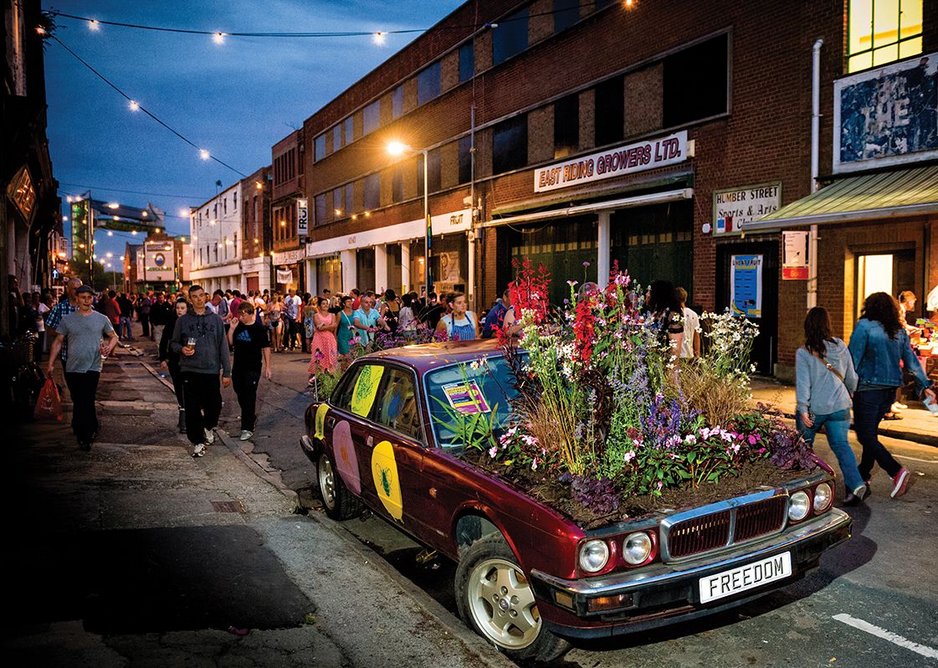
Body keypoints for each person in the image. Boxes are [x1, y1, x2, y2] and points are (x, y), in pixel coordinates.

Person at [848, 292, 936, 498]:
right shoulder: (899, 331)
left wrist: (846, 387)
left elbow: (852, 360)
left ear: (869, 307)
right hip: (889, 392)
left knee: (864, 434)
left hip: (867, 389)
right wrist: (926, 384)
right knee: (871, 433)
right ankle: (864, 474)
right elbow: (912, 362)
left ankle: (895, 470)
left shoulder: (864, 327)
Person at [795, 307, 867, 505]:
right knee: (842, 446)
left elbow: (803, 384)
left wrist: (802, 408)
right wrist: (849, 392)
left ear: (807, 326)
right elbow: (852, 377)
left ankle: (804, 489)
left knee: (803, 447)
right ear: (828, 324)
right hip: (840, 406)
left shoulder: (804, 352)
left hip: (815, 409)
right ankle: (856, 484)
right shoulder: (841, 346)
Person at [45, 285, 119, 450]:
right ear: (76, 299)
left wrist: (108, 346)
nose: (86, 300)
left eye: (89, 297)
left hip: (93, 365)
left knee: (86, 398)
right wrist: (50, 363)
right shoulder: (68, 320)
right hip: (72, 367)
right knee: (79, 399)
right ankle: (87, 426)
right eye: (83, 297)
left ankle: (85, 434)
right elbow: (58, 341)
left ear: (93, 299)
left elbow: (114, 336)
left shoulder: (101, 318)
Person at [170, 285, 232, 458]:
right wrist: (182, 349)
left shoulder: (216, 320)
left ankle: (208, 426)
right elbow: (173, 343)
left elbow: (223, 347)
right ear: (190, 299)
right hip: (189, 370)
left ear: (206, 297)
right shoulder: (182, 321)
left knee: (214, 405)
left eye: (201, 295)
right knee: (192, 408)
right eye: (194, 296)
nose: (198, 299)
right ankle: (197, 441)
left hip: (211, 370)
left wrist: (227, 372)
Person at [228, 300, 271, 441]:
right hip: (238, 366)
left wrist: (268, 366)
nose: (240, 317)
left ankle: (247, 427)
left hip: (253, 367)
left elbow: (266, 348)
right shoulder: (239, 326)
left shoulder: (259, 328)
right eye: (239, 314)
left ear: (250, 313)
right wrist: (232, 328)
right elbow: (230, 342)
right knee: (239, 391)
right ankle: (250, 416)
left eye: (243, 315)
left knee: (249, 395)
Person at [159, 297, 190, 433]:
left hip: (189, 361)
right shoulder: (171, 323)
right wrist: (163, 358)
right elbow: (164, 341)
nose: (180, 310)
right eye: (178, 308)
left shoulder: (190, 322)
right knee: (178, 387)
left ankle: (187, 418)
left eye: (182, 308)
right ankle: (182, 416)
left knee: (188, 388)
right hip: (174, 361)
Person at [45, 277, 83, 373]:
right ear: (68, 290)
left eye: (79, 289)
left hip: (86, 356)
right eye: (75, 289)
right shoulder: (59, 309)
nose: (77, 292)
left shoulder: (87, 308)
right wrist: (64, 333)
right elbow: (49, 329)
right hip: (67, 356)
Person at [891, 290, 920, 413]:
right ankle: (891, 402)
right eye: (913, 302)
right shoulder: (900, 310)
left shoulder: (901, 311)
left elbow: (903, 325)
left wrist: (911, 328)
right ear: (908, 301)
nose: (913, 304)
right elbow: (899, 329)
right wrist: (910, 333)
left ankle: (894, 401)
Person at [644, 280, 684, 356]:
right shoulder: (653, 313)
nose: (647, 294)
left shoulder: (672, 315)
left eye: (650, 292)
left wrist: (672, 366)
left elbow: (675, 348)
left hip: (662, 361)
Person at [307, 297, 339, 388]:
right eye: (323, 304)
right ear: (319, 306)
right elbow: (318, 327)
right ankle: (317, 379)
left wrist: (324, 326)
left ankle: (330, 380)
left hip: (329, 338)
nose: (325, 305)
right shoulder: (316, 315)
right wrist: (328, 326)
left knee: (331, 357)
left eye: (327, 304)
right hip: (319, 338)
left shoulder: (332, 315)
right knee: (319, 357)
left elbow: (334, 326)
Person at [676, 287, 701, 359]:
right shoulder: (693, 314)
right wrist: (697, 355)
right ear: (685, 299)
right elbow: (697, 336)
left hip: (676, 355)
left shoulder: (672, 314)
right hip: (689, 354)